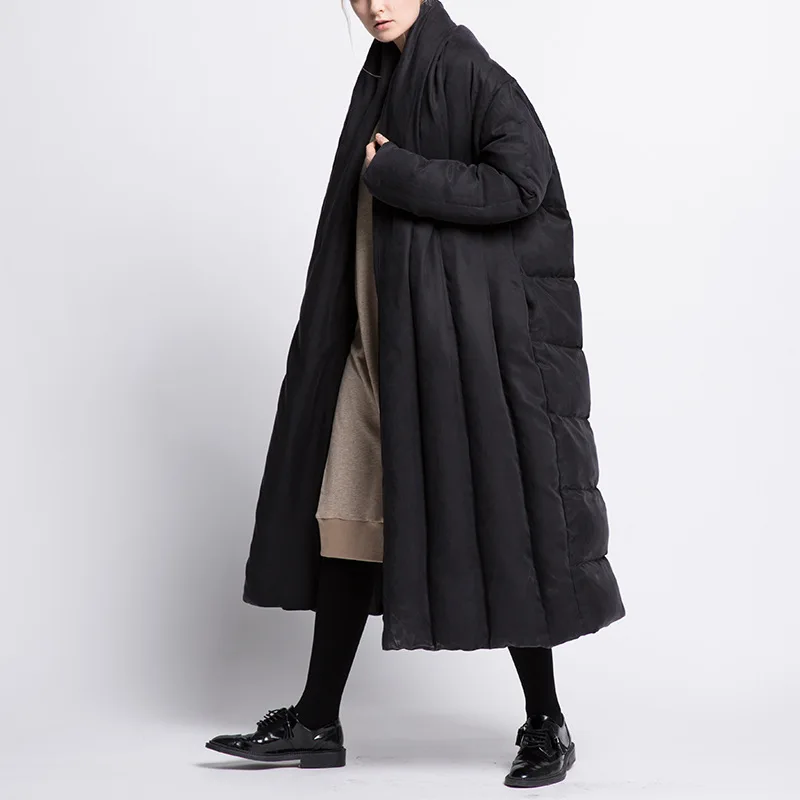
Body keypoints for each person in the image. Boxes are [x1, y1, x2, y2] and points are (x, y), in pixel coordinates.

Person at [206, 0, 626, 789]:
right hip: (373, 348)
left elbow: (522, 184)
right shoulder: (383, 75)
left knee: (503, 521)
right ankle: (317, 722)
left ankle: (547, 722)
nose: (374, 5)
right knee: (345, 520)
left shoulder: (468, 70)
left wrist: (397, 171)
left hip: (448, 357)